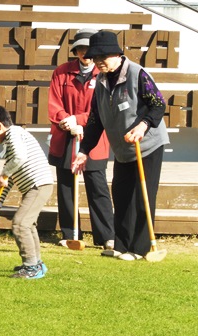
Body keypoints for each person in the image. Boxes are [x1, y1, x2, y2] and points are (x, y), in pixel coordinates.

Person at [72, 31, 169, 261]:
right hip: (123, 149)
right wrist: (84, 151)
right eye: (94, 58)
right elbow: (95, 119)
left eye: (101, 57)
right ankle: (122, 246)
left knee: (141, 196)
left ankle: (140, 248)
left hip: (147, 145)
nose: (97, 62)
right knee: (121, 194)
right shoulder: (101, 81)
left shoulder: (137, 73)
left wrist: (143, 126)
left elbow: (158, 104)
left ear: (116, 54)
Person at [48, 28, 114, 250]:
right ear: (75, 50)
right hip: (66, 136)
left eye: (88, 48)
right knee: (66, 188)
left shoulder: (104, 74)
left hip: (94, 139)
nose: (85, 53)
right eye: (81, 48)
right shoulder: (61, 72)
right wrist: (68, 121)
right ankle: (70, 233)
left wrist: (80, 120)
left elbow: (104, 108)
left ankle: (106, 236)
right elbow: (54, 103)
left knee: (97, 187)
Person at [0, 106, 54, 279]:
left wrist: (4, 173)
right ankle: (36, 263)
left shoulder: (15, 134)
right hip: (35, 187)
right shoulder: (9, 143)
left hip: (39, 185)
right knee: (28, 224)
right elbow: (9, 180)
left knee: (20, 224)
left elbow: (18, 159)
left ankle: (31, 267)